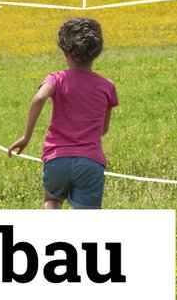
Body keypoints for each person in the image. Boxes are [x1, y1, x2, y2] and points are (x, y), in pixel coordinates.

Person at [9, 17, 118, 210]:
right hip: (90, 163)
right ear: (96, 53)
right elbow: (103, 129)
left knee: (52, 200)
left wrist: (26, 136)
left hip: (57, 159)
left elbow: (39, 98)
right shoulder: (107, 87)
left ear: (66, 53)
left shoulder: (57, 79)